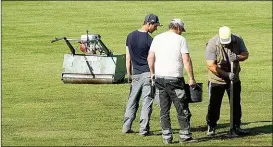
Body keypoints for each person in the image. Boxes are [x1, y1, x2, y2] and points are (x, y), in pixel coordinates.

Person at [147, 18, 197, 144]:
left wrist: (153, 73)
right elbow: (186, 60)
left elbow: (150, 57)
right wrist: (191, 78)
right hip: (174, 78)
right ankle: (185, 135)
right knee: (182, 107)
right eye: (181, 30)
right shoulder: (180, 40)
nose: (182, 32)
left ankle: (167, 137)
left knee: (164, 109)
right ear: (178, 28)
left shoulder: (157, 38)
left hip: (159, 78)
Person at [205, 26, 249, 136]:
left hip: (234, 79)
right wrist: (226, 75)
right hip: (217, 79)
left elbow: (245, 54)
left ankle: (235, 126)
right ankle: (211, 126)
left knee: (235, 104)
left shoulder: (238, 39)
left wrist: (238, 57)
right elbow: (211, 65)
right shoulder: (211, 44)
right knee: (214, 104)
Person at [122, 14, 162, 136]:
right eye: (155, 26)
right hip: (147, 74)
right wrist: (153, 73)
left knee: (132, 101)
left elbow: (128, 58)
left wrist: (130, 75)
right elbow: (152, 59)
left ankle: (126, 126)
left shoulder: (130, 36)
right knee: (147, 102)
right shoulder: (150, 40)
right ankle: (143, 129)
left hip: (135, 74)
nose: (156, 28)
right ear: (149, 24)